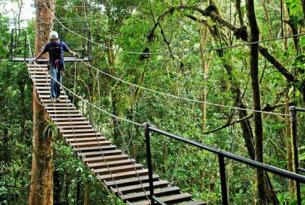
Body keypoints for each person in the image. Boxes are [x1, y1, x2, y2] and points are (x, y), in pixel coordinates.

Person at [34, 31, 77, 102]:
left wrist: (74, 54)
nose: (53, 42)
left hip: (60, 65)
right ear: (50, 40)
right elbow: (42, 53)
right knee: (53, 80)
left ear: (57, 39)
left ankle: (57, 97)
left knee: (59, 82)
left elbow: (69, 51)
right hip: (52, 64)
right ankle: (52, 96)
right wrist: (35, 59)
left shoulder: (62, 44)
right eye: (52, 40)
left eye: (54, 40)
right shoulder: (48, 45)